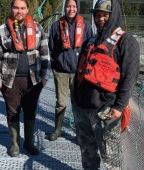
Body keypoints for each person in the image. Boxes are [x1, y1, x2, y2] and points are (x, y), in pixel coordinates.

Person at [73, 0, 140, 169]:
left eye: (105, 15)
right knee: (87, 154)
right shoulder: (90, 41)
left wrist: (119, 106)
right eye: (98, 15)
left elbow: (130, 77)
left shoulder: (127, 42)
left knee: (111, 158)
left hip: (106, 111)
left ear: (113, 16)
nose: (101, 19)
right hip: (82, 109)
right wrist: (75, 101)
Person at [0, 0, 50, 157]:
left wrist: (44, 78)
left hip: (33, 80)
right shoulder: (2, 30)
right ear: (11, 9)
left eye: (23, 8)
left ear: (28, 9)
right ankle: (15, 144)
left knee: (30, 112)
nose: (19, 11)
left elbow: (45, 54)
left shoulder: (38, 29)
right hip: (10, 80)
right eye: (16, 7)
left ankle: (29, 142)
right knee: (12, 113)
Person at [48, 0, 92, 141]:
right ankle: (58, 129)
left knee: (77, 104)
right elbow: (51, 47)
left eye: (74, 6)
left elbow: (90, 49)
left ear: (78, 8)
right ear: (65, 8)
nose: (71, 9)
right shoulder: (56, 26)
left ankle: (80, 133)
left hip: (78, 74)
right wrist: (55, 66)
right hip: (60, 72)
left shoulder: (87, 27)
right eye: (68, 6)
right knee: (61, 102)